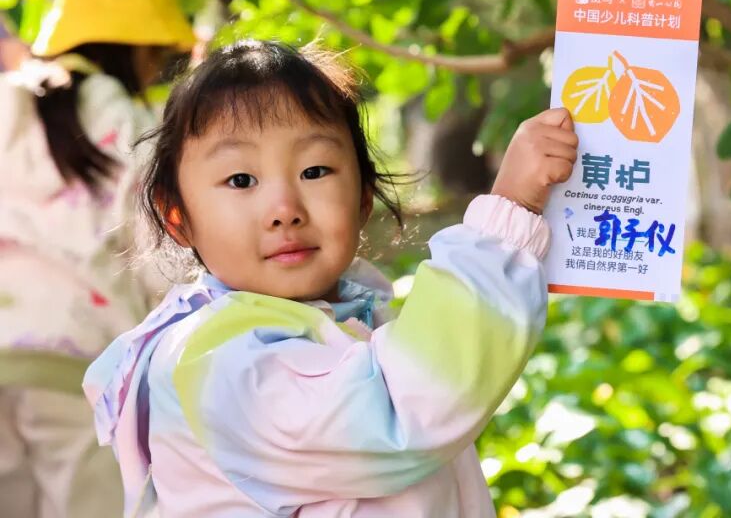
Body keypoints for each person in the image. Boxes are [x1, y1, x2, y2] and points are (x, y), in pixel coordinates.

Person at [83, 40, 579, 517]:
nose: (284, 209)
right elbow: (401, 413)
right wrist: (508, 215)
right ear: (178, 217)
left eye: (315, 170)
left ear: (363, 196)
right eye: (241, 180)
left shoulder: (345, 314)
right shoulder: (221, 363)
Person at [0, 0, 195, 518]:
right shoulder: (128, 123)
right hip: (76, 368)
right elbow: (161, 258)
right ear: (139, 47)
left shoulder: (7, 99)